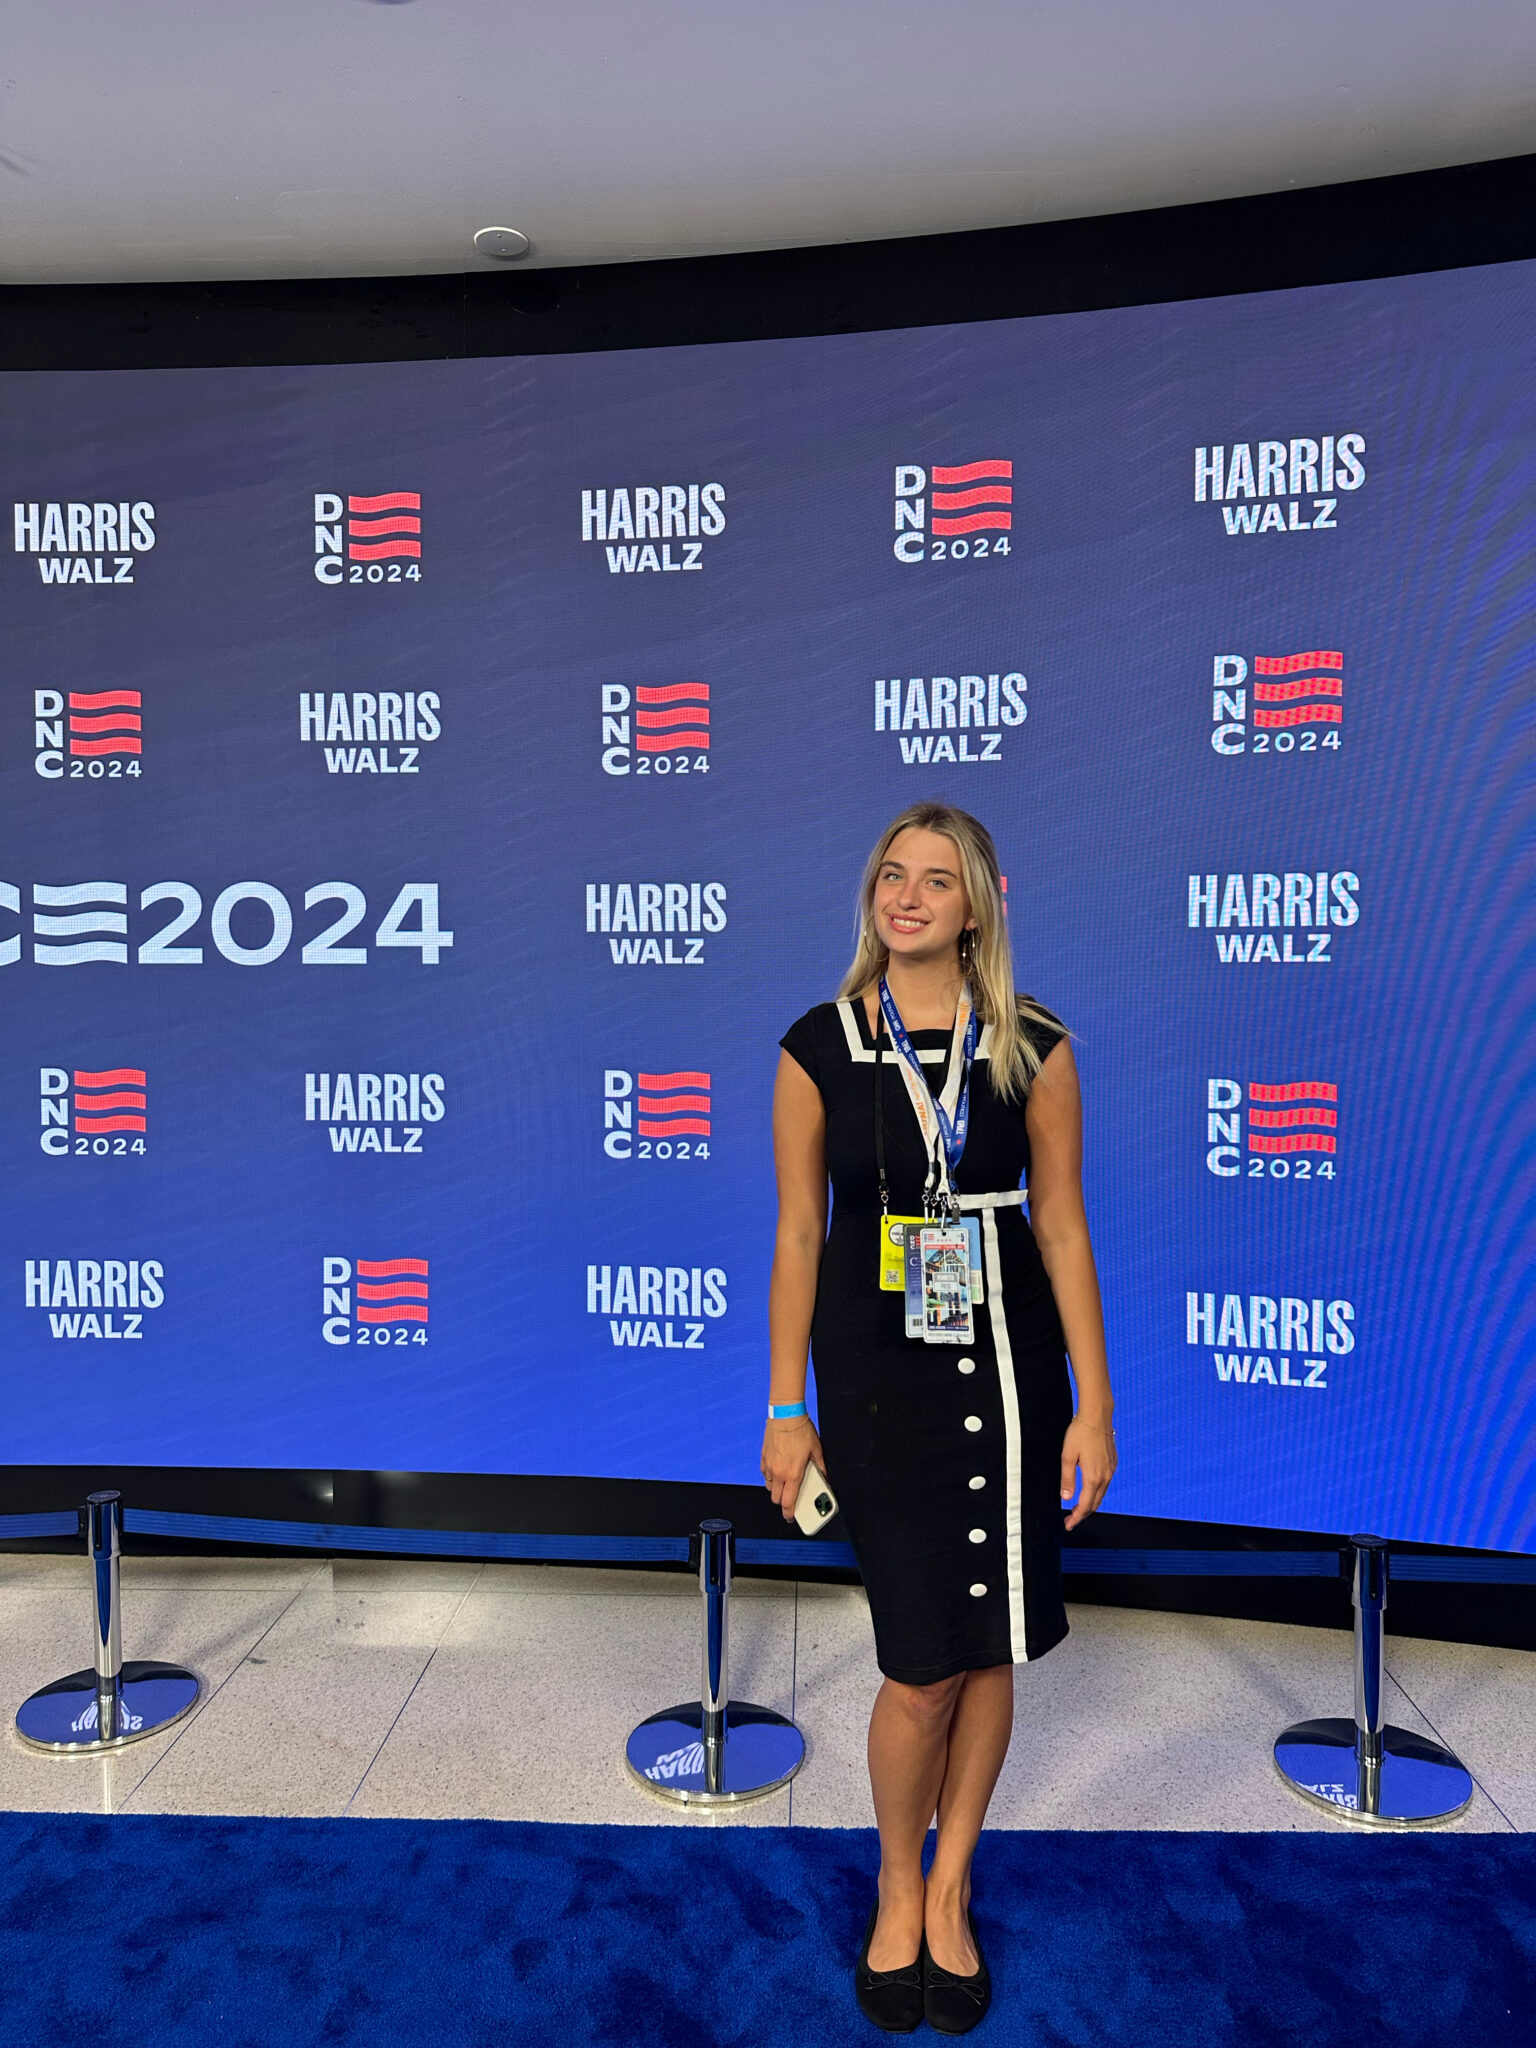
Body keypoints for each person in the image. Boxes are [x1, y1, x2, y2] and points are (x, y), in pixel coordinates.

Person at [765, 802, 1115, 2034]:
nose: (905, 897)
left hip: (1011, 1367)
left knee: (991, 1640)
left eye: (935, 879)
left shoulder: (1033, 1044)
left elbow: (1061, 1226)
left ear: (979, 904)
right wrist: (783, 1405)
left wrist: (1095, 1404)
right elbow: (800, 1231)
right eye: (890, 876)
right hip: (872, 1376)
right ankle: (896, 1880)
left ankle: (953, 1882)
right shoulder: (817, 1047)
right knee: (921, 1660)